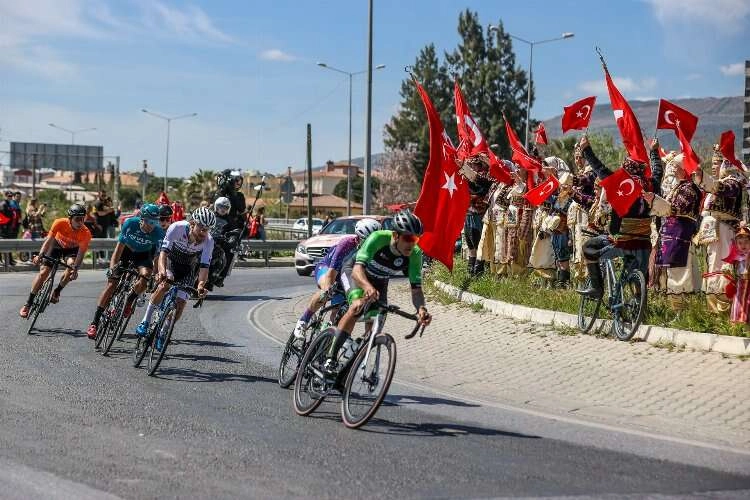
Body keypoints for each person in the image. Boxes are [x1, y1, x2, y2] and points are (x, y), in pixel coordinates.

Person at [323, 209, 431, 373]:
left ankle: (354, 356)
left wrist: (421, 309)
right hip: (354, 272)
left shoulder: (415, 254)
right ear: (395, 235)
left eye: (416, 239)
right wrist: (367, 287)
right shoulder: (378, 238)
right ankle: (330, 358)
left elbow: (416, 290)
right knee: (356, 306)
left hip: (380, 281)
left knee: (377, 320)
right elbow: (357, 271)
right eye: (408, 238)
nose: (412, 243)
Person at [577, 135, 664, 298]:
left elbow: (599, 168)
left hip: (622, 243)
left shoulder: (621, 183)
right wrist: (654, 152)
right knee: (638, 278)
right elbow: (658, 171)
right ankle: (639, 305)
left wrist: (586, 149)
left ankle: (597, 288)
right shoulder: (652, 184)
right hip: (644, 243)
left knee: (588, 247)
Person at [292, 218, 382, 339]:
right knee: (326, 292)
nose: (371, 245)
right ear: (359, 237)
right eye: (367, 241)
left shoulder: (375, 250)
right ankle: (304, 320)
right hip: (327, 268)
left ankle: (327, 334)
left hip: (346, 275)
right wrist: (329, 290)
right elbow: (331, 274)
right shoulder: (347, 244)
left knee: (339, 311)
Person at [85, 204, 165, 339]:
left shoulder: (158, 232)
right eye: (150, 221)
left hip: (143, 255)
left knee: (145, 276)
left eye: (155, 222)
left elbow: (157, 256)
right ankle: (95, 323)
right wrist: (112, 268)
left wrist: (154, 274)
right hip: (126, 252)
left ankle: (129, 300)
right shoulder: (130, 224)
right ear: (142, 219)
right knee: (111, 285)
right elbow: (118, 249)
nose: (152, 225)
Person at [134, 207, 215, 338]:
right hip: (171, 261)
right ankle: (145, 321)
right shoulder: (177, 228)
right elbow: (163, 253)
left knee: (181, 303)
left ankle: (163, 332)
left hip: (188, 268)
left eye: (207, 229)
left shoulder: (209, 241)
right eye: (201, 227)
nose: (203, 232)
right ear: (192, 223)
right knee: (165, 284)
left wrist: (201, 285)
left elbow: (204, 267)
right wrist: (161, 272)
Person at [644, 153, 703, 308]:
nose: (674, 169)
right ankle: (676, 307)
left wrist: (655, 200)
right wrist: (654, 200)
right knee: (673, 270)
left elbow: (676, 208)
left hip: (680, 235)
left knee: (679, 271)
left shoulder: (689, 188)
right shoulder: (681, 186)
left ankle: (681, 309)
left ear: (684, 169)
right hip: (672, 234)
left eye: (677, 166)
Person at [696, 146, 746, 313]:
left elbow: (722, 189)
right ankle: (712, 307)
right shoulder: (716, 186)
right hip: (712, 232)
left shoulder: (733, 183)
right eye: (713, 164)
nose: (714, 167)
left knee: (722, 265)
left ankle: (723, 307)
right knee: (712, 264)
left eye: (717, 163)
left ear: (726, 165)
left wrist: (703, 176)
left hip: (724, 231)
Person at [19, 204, 92, 317]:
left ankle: (57, 291)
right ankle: (28, 303)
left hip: (71, 250)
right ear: (70, 218)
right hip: (56, 245)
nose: (80, 222)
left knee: (71, 266)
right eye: (77, 219)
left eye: (83, 219)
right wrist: (40, 255)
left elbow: (81, 254)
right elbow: (48, 241)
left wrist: (75, 270)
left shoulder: (86, 233)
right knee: (43, 272)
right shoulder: (59, 222)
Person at [722, 224, 750, 324]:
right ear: (736, 244)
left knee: (747, 302)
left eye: (746, 242)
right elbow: (732, 270)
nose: (743, 245)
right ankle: (737, 320)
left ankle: (745, 321)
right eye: (740, 243)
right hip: (740, 284)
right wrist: (728, 271)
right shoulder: (736, 257)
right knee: (738, 301)